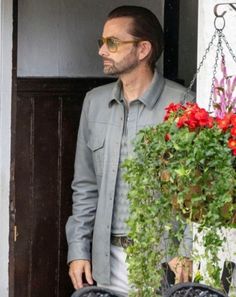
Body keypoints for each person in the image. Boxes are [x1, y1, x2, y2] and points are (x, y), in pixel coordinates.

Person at [66, 5, 193, 295]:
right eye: (102, 42)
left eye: (112, 42)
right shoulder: (94, 103)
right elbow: (85, 186)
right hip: (105, 262)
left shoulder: (184, 105)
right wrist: (78, 250)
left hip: (163, 262)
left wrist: (186, 248)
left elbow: (196, 189)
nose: (102, 50)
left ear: (143, 49)